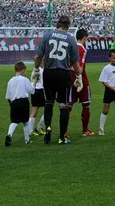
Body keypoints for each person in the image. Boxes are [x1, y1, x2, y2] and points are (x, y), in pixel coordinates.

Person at [33, 15, 82, 145]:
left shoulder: (47, 35)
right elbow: (75, 62)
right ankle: (61, 136)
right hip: (63, 73)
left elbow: (38, 56)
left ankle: (48, 129)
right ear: (68, 26)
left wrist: (36, 69)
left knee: (49, 102)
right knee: (63, 105)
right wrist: (79, 76)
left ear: (57, 24)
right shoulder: (71, 39)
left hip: (49, 72)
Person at [68, 29, 94, 137]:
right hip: (80, 79)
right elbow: (81, 68)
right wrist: (79, 78)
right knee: (86, 105)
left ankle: (64, 131)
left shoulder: (70, 47)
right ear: (84, 38)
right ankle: (85, 130)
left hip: (69, 79)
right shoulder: (82, 49)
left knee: (68, 105)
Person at [4, 62, 35, 146]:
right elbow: (31, 91)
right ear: (22, 70)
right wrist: (34, 83)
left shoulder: (10, 81)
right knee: (25, 122)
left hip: (14, 102)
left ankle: (9, 135)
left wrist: (11, 104)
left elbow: (8, 96)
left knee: (14, 122)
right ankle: (27, 139)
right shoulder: (24, 79)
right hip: (23, 102)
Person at [98, 49, 115, 135]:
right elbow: (104, 81)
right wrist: (111, 88)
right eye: (114, 58)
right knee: (105, 110)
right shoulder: (106, 68)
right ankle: (101, 129)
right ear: (109, 58)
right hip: (109, 91)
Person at [29, 66, 46, 137]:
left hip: (34, 90)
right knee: (47, 110)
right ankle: (39, 127)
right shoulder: (43, 70)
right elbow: (44, 82)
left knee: (34, 112)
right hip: (41, 90)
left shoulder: (34, 70)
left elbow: (32, 80)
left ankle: (30, 131)